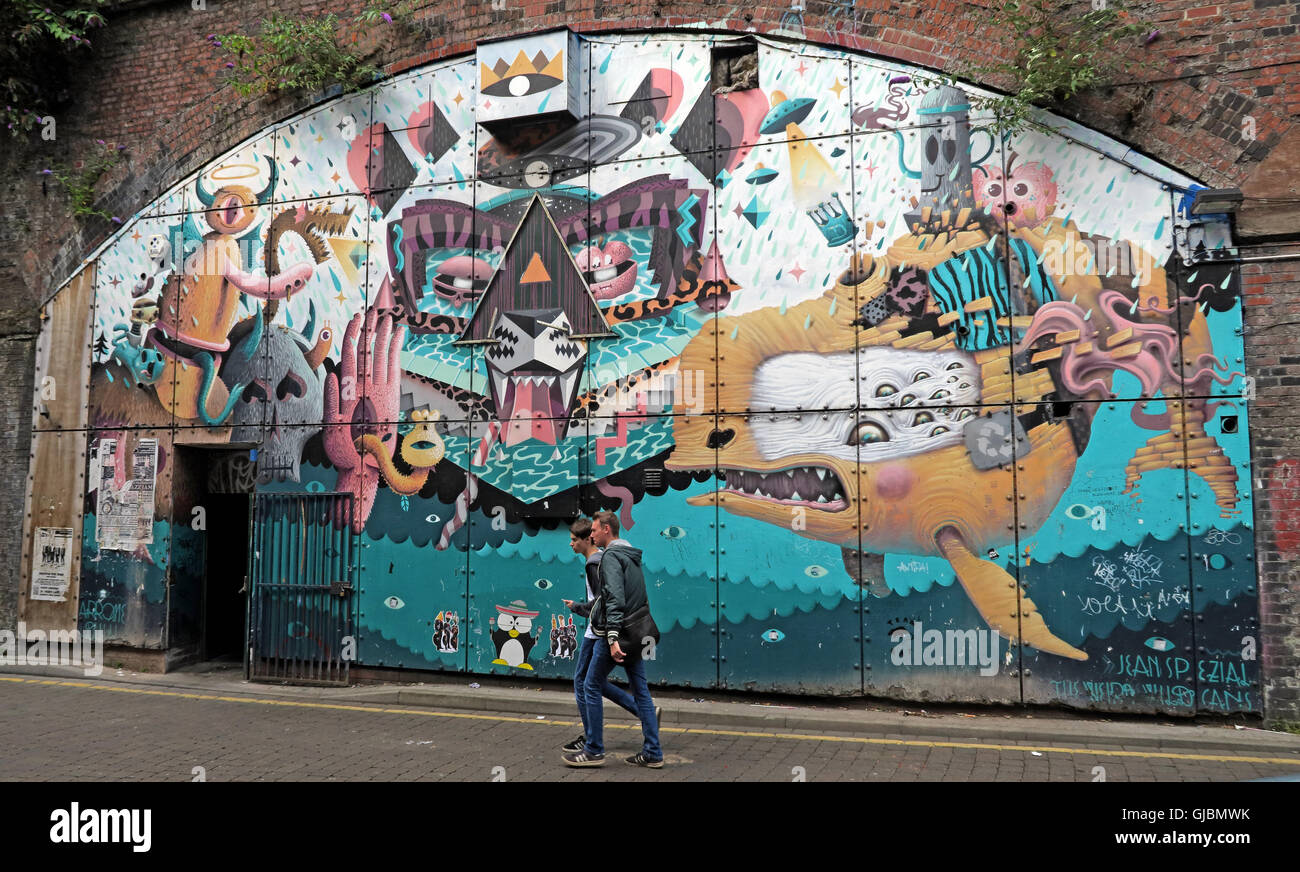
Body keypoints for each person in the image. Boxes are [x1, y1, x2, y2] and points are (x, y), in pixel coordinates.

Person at [562, 510, 663, 768]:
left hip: (616, 633)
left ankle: (594, 749)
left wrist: (613, 637)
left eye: (594, 530)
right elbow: (638, 597)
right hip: (637, 632)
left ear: (607, 530)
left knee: (590, 685)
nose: (591, 535)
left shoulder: (610, 557)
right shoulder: (631, 555)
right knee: (641, 693)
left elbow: (613, 599)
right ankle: (653, 752)